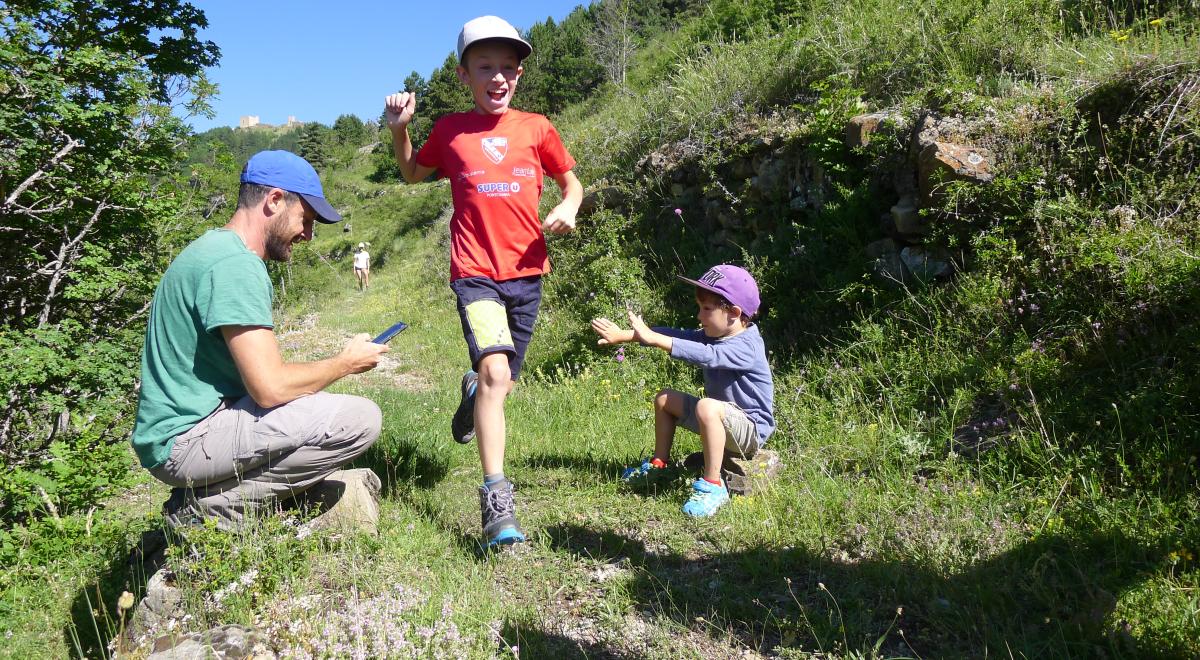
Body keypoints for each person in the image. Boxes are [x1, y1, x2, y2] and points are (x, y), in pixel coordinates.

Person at [383, 15, 582, 547]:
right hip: (475, 274)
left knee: (499, 384)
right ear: (463, 74)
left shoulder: (537, 127)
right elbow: (411, 174)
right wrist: (399, 129)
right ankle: (497, 502)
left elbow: (572, 180)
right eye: (486, 67)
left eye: (509, 69)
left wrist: (569, 203)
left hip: (528, 273)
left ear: (518, 75)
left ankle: (473, 392)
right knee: (498, 376)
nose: (499, 78)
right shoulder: (451, 131)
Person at [131, 150, 390, 531]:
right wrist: (344, 363)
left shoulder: (213, 249)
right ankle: (209, 512)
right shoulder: (236, 265)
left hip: (184, 430)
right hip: (184, 442)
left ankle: (214, 496)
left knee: (315, 403)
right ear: (274, 200)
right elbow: (269, 389)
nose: (308, 234)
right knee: (360, 419)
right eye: (307, 218)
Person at [591, 265, 775, 518]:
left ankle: (713, 486)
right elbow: (680, 335)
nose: (699, 316)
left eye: (706, 309)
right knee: (665, 399)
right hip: (719, 420)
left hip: (749, 431)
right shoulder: (715, 333)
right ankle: (658, 465)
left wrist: (655, 340)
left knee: (707, 406)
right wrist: (623, 335)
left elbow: (709, 356)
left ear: (734, 312)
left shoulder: (747, 344)